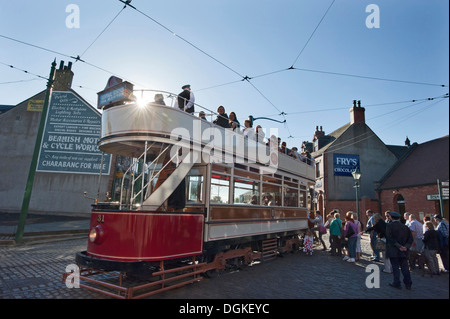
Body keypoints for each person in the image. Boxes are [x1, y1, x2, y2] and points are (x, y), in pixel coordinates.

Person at [385, 211, 413, 290]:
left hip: (393, 250)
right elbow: (410, 239)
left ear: (391, 217)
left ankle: (397, 282)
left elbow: (390, 238)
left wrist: (399, 246)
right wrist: (405, 247)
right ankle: (408, 284)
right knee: (405, 267)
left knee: (395, 267)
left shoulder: (389, 226)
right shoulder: (405, 227)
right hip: (404, 251)